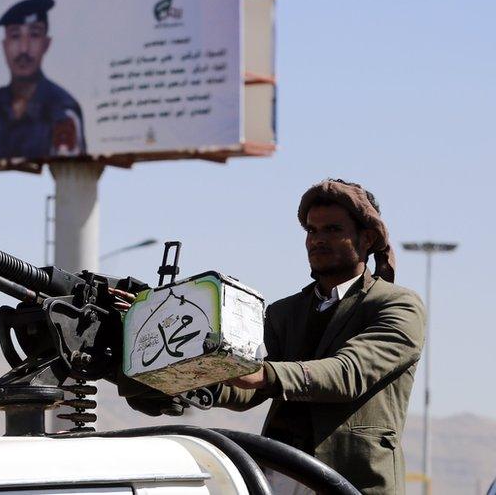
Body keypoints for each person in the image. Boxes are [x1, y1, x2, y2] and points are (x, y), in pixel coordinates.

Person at [123, 179, 425, 494]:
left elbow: (347, 374)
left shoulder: (397, 304)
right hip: (280, 472)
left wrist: (262, 373)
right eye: (311, 231)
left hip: (349, 480)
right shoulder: (286, 312)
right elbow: (244, 389)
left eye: (333, 230)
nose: (318, 240)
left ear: (368, 237)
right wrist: (182, 376)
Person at [0, 0, 84, 159]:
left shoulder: (62, 110)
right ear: (4, 45)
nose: (24, 48)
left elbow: (71, 171)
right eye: (15, 36)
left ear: (46, 43)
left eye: (34, 35)